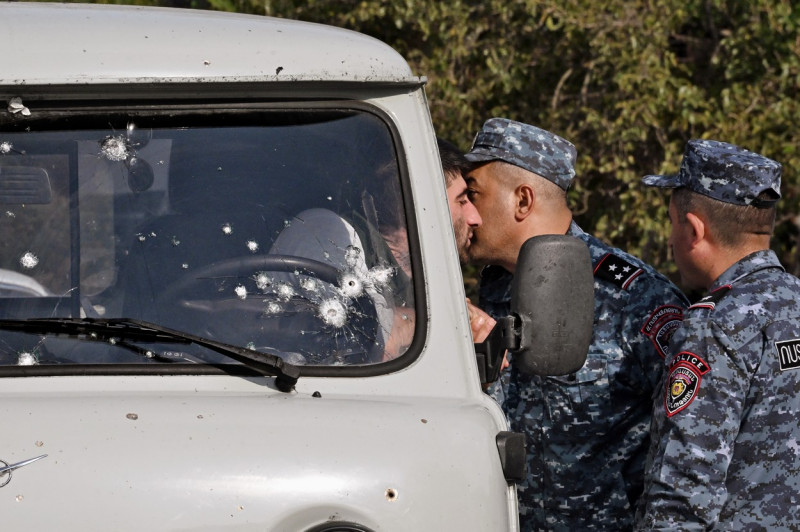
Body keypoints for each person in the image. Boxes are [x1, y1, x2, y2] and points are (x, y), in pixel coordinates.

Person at [463, 118, 688, 531]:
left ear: (523, 201)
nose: (468, 214)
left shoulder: (635, 301)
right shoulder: (493, 287)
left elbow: (691, 442)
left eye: (473, 194)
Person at [635, 139, 800, 530]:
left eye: (673, 224)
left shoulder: (715, 324)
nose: (670, 241)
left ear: (694, 230)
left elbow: (682, 496)